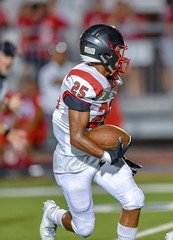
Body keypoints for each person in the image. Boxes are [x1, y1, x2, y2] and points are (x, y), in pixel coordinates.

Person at [40, 24, 144, 240]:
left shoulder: (107, 76)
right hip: (72, 157)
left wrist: (115, 152)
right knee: (84, 229)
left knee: (134, 199)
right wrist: (108, 155)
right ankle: (52, 214)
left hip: (94, 150)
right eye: (117, 51)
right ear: (103, 53)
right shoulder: (84, 81)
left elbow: (95, 127)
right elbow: (77, 137)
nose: (120, 56)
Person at [0, 41, 27, 152]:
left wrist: (7, 105)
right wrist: (8, 133)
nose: (9, 61)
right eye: (6, 55)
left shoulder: (3, 79)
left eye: (12, 56)